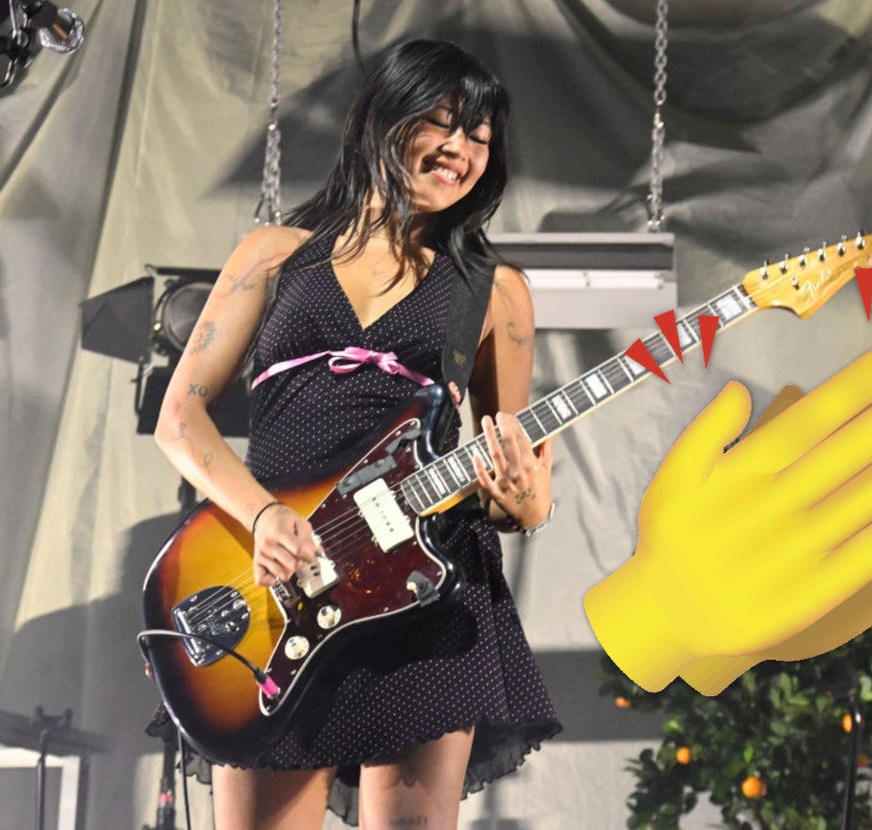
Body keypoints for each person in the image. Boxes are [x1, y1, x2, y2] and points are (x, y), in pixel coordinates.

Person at [152, 39, 561, 829]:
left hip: (424, 591)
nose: (462, 150)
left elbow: (517, 477)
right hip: (283, 583)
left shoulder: (495, 292)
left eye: (480, 138)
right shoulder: (274, 256)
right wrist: (263, 515)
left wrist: (525, 503)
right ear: (383, 118)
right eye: (444, 123)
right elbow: (180, 419)